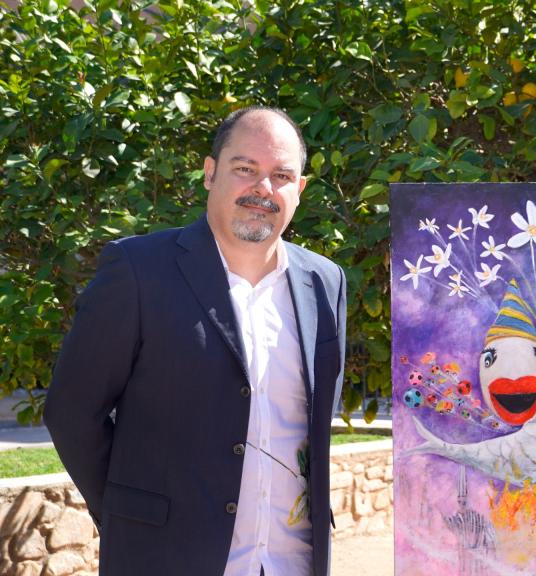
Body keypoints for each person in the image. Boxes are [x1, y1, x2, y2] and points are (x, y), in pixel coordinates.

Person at [44, 106, 346, 576]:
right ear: (210, 173)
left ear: (300, 190)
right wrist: (131, 518)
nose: (263, 189)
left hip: (293, 562)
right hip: (165, 559)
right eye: (245, 169)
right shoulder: (138, 271)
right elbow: (71, 411)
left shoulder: (326, 283)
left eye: (281, 175)